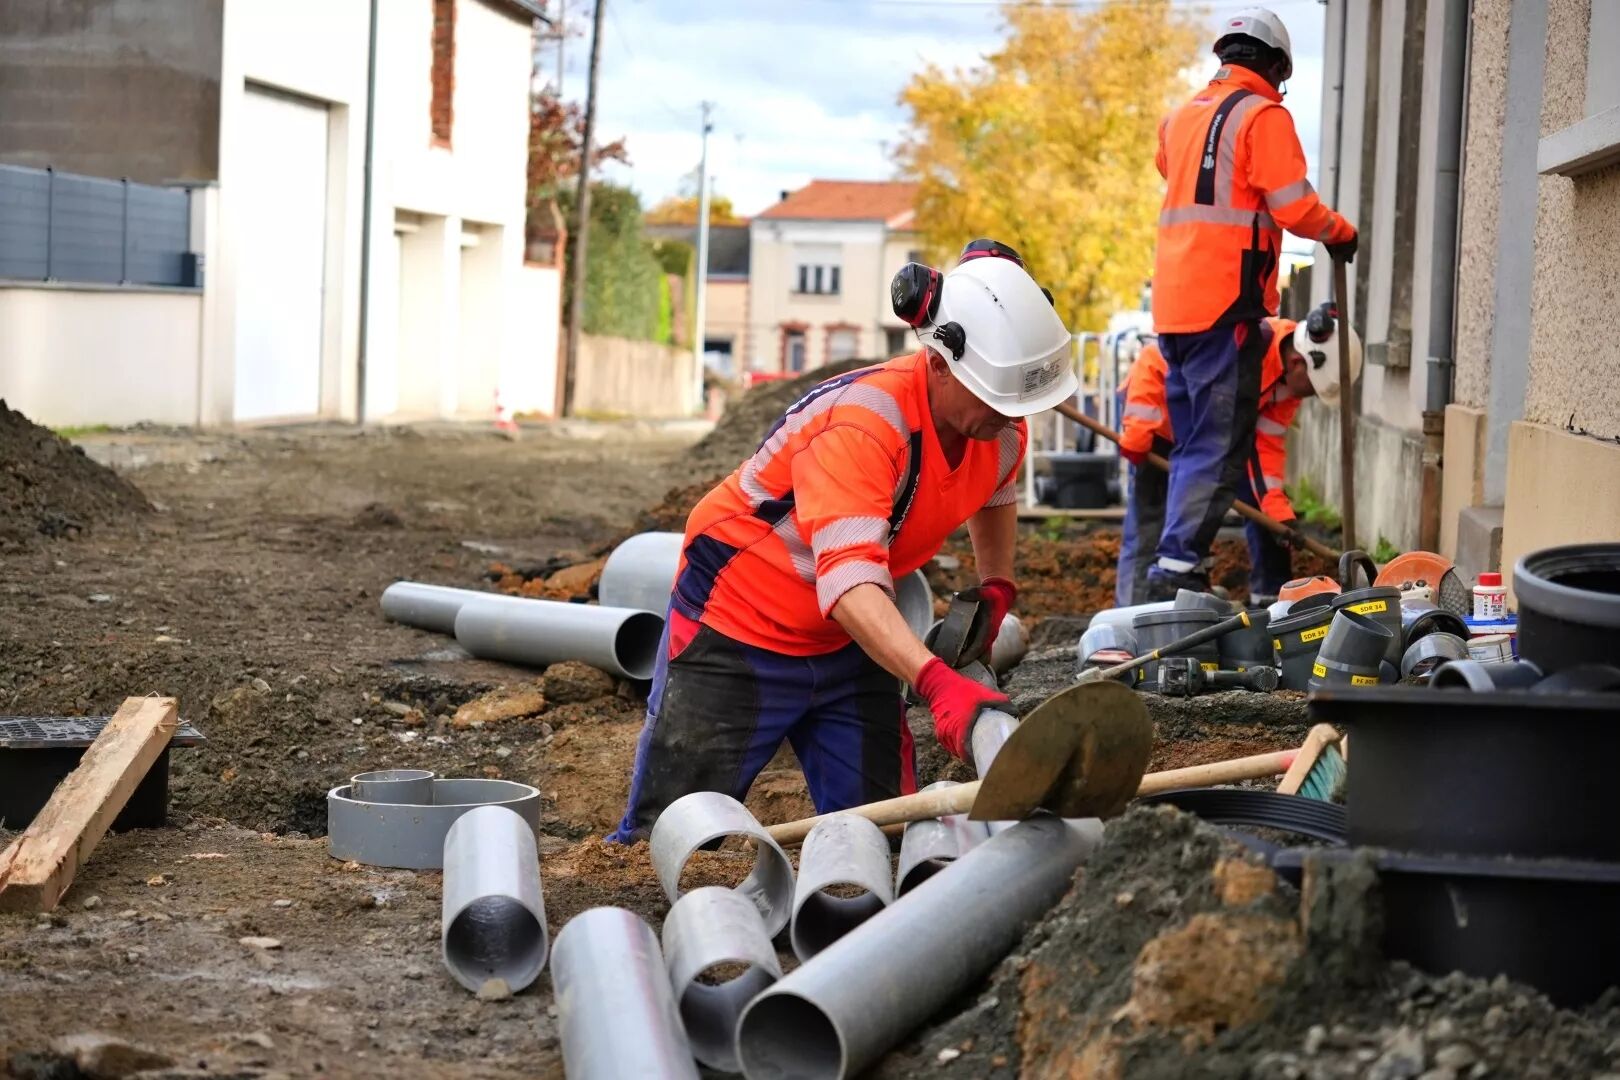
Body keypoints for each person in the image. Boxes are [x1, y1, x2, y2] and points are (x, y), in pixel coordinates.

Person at [607, 240, 1076, 842]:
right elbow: (849, 578)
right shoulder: (863, 425)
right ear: (939, 363)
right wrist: (935, 682)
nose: (1011, 416)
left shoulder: (997, 425)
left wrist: (996, 583)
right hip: (740, 621)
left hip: (848, 634)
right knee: (673, 836)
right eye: (997, 398)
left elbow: (995, 491)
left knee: (884, 829)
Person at [1147, 6, 1358, 600]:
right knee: (1218, 448)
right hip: (1226, 305)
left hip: (1174, 308)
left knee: (1194, 444)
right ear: (1276, 66)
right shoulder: (1264, 116)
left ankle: (1176, 562)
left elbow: (1175, 170)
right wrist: (1340, 232)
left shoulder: (1178, 118)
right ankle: (1177, 566)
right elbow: (1293, 206)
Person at [1115, 304, 1359, 607]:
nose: (1307, 397)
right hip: (1158, 426)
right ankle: (1131, 612)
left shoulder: (1285, 386)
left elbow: (1266, 448)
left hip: (1206, 441)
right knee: (1148, 522)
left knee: (1216, 505)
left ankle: (1263, 598)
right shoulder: (1245, 340)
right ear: (1298, 363)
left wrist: (1276, 509)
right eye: (1311, 389)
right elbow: (1154, 359)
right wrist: (1140, 427)